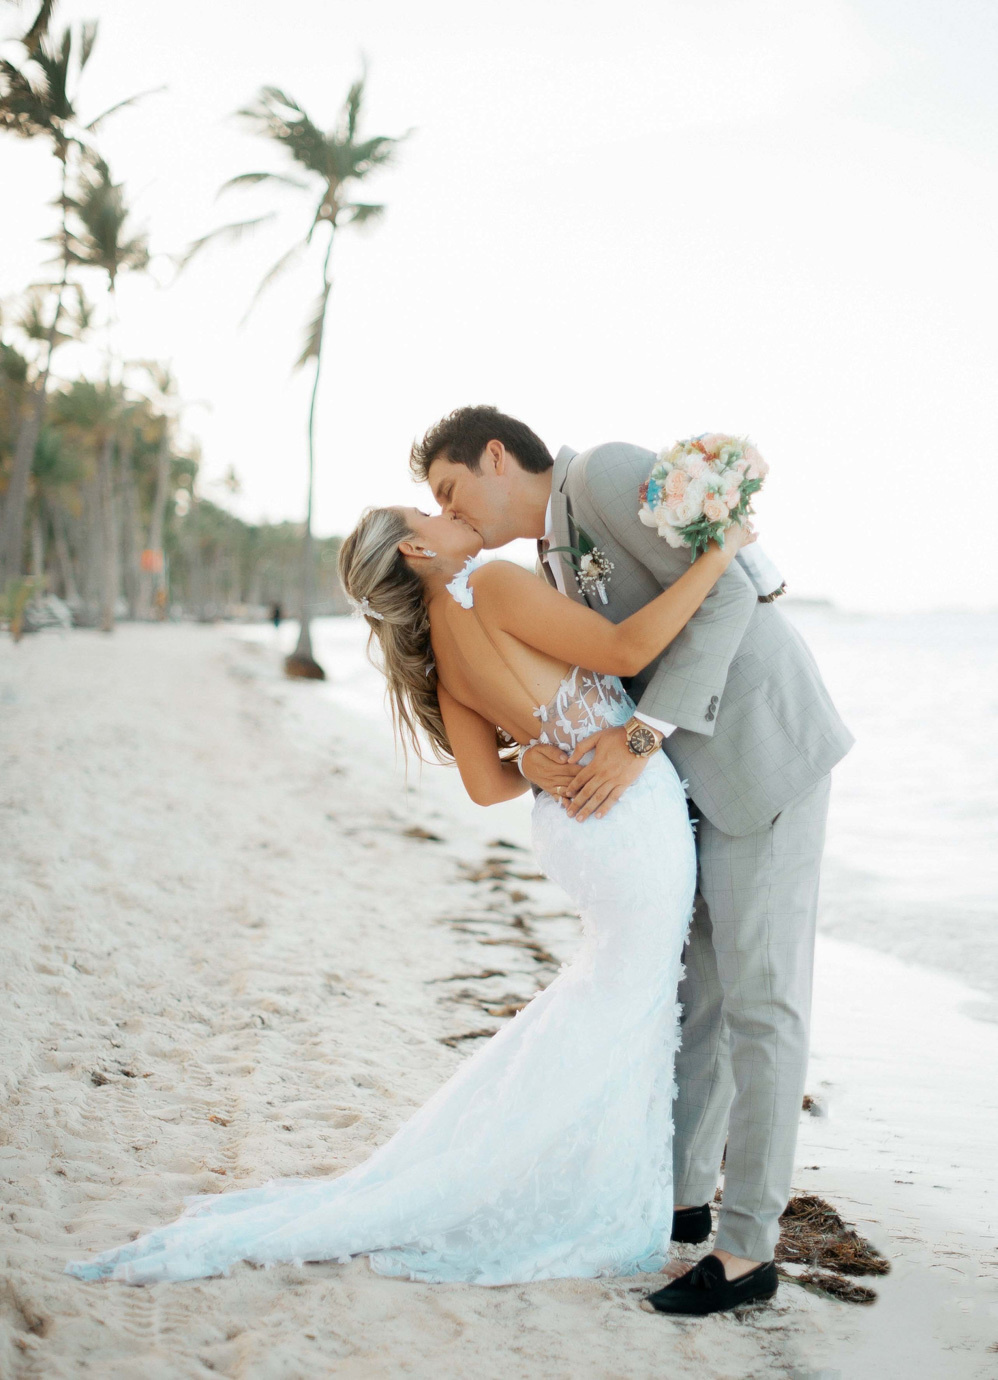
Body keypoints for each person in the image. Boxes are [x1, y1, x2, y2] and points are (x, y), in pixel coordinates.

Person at [65, 498, 753, 1289]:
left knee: (613, 998)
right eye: (430, 510)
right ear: (420, 550)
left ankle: (583, 1177)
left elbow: (488, 786)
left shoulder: (436, 653)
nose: (454, 510)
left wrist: (530, 757)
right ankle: (586, 1191)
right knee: (622, 1002)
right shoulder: (489, 583)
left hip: (576, 829)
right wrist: (719, 552)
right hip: (622, 815)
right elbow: (629, 644)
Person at [412, 407, 853, 1316]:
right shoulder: (548, 557)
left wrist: (643, 739)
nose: (455, 515)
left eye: (453, 492)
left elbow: (728, 591)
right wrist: (544, 758)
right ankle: (684, 1205)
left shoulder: (606, 475)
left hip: (762, 754)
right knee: (700, 991)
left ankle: (748, 1252)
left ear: (498, 456)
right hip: (687, 779)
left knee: (762, 1001)